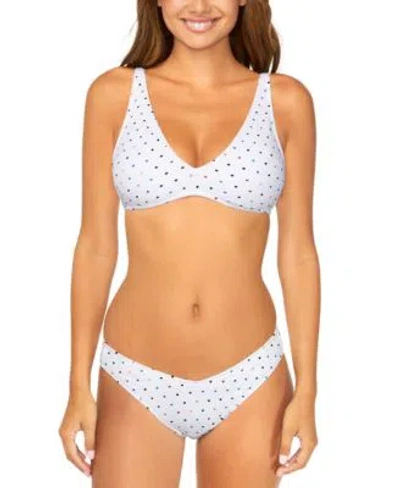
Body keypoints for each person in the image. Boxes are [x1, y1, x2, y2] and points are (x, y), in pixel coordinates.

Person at [58, 0, 320, 486]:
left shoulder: (286, 102)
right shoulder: (113, 95)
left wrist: (307, 391)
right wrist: (78, 384)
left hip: (250, 376)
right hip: (134, 375)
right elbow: (95, 246)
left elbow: (299, 253)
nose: (199, 6)